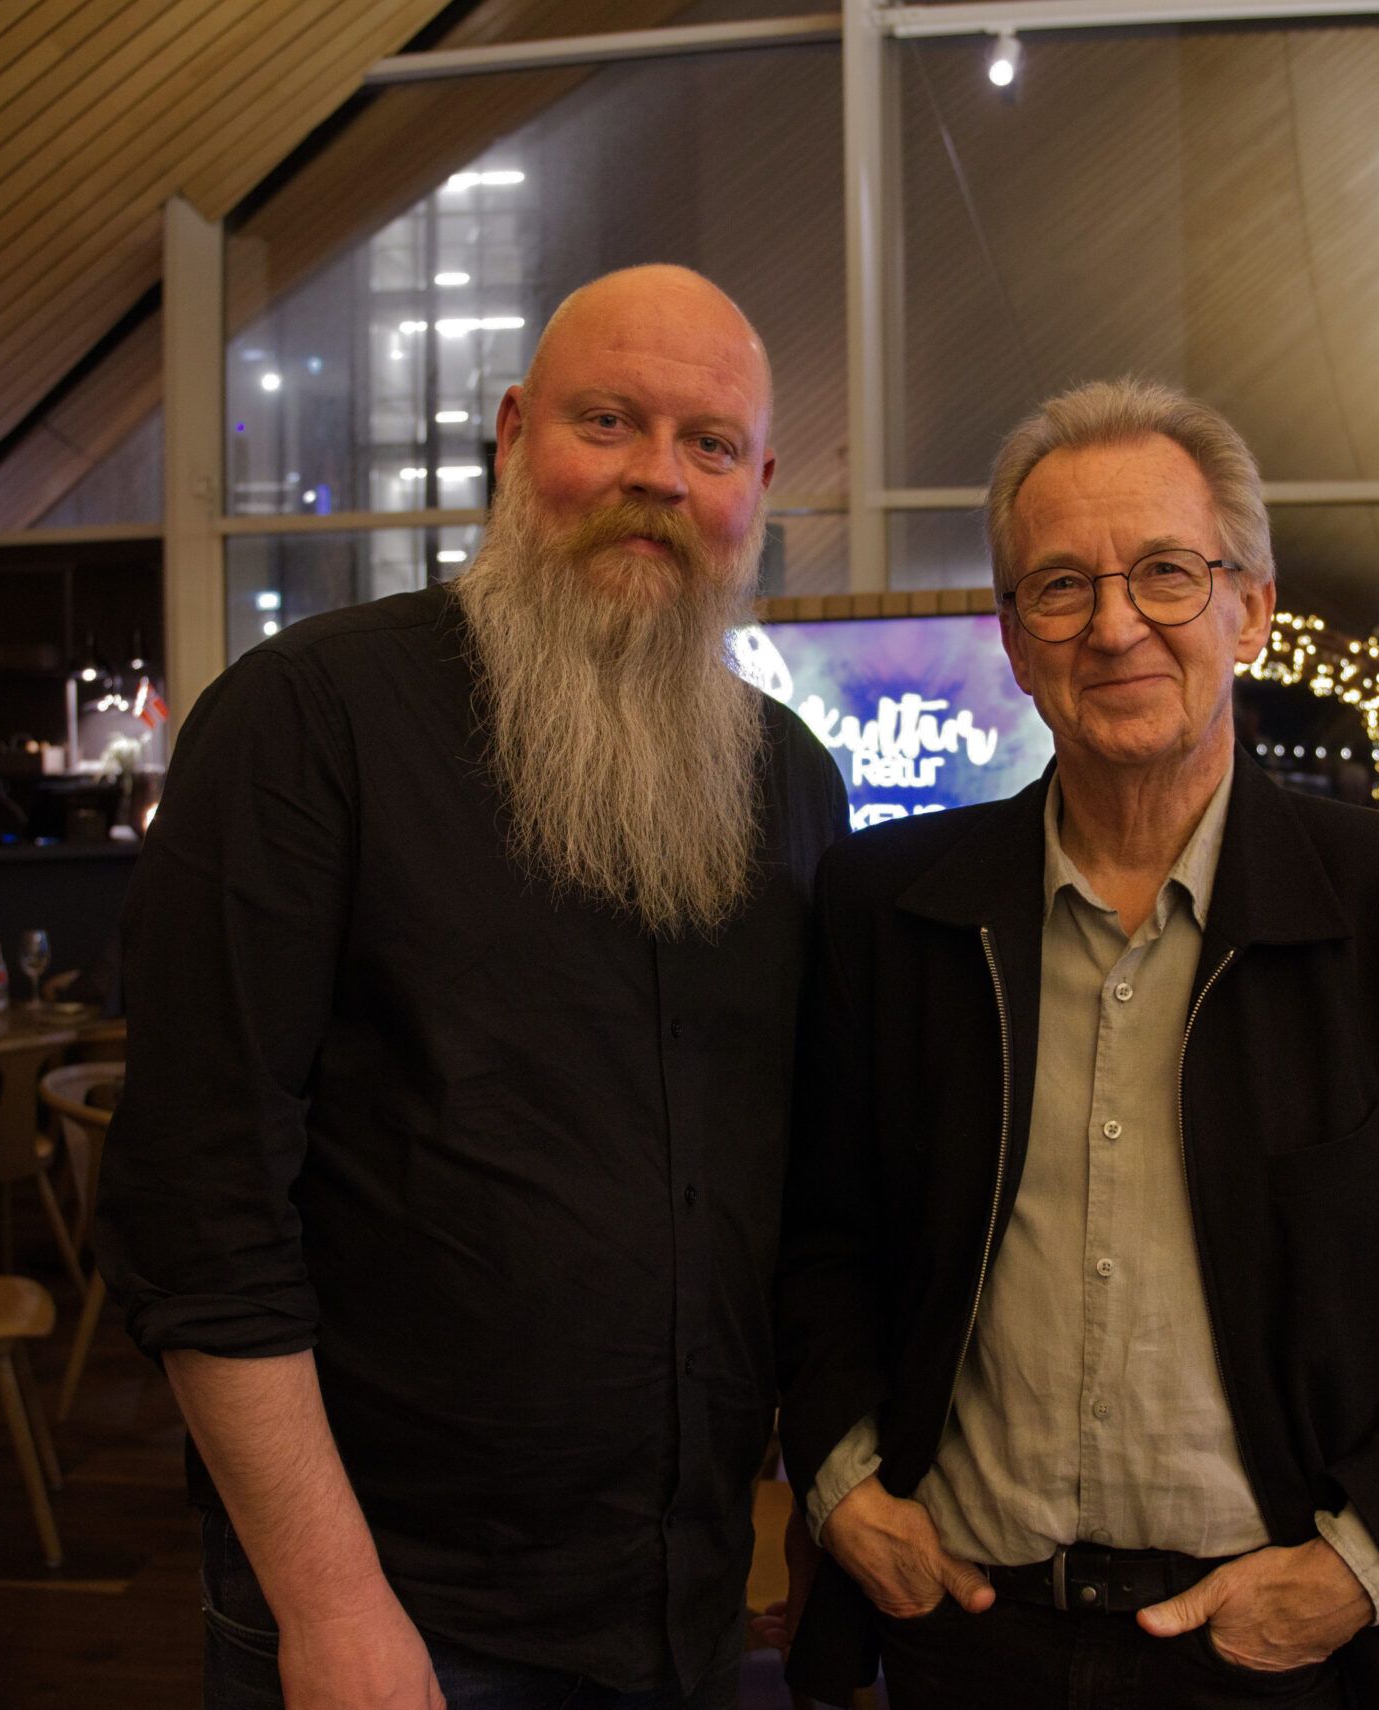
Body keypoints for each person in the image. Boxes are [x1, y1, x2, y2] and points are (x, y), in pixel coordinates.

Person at [96, 266, 846, 1710]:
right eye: (608, 421)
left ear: (756, 489)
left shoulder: (793, 786)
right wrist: (330, 1603)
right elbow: (197, 1206)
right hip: (395, 1609)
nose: (657, 477)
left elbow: (807, 1195)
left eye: (707, 445)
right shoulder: (307, 722)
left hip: (684, 1600)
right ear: (511, 438)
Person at [773, 380, 1379, 1710]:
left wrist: (1357, 1569)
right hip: (965, 1633)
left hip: (1278, 1659)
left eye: (1165, 573)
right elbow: (818, 1243)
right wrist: (844, 1483)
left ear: (1249, 609)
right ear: (1013, 642)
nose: (1114, 626)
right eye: (1061, 587)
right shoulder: (888, 908)